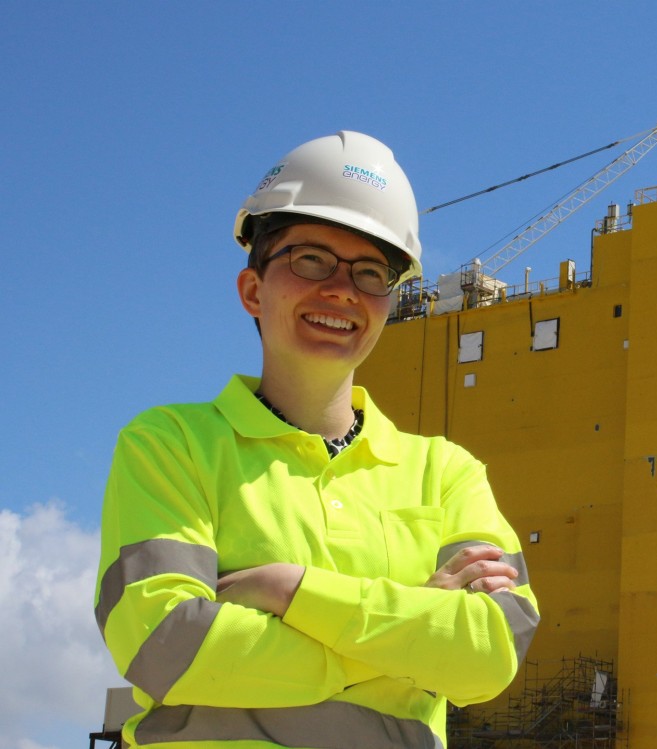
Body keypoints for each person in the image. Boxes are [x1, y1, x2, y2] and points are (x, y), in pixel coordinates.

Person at [95, 131, 539, 749]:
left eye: (370, 273)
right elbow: (164, 645)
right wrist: (406, 629)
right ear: (254, 290)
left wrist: (290, 592)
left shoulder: (448, 473)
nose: (341, 289)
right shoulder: (171, 444)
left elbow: (490, 656)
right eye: (310, 260)